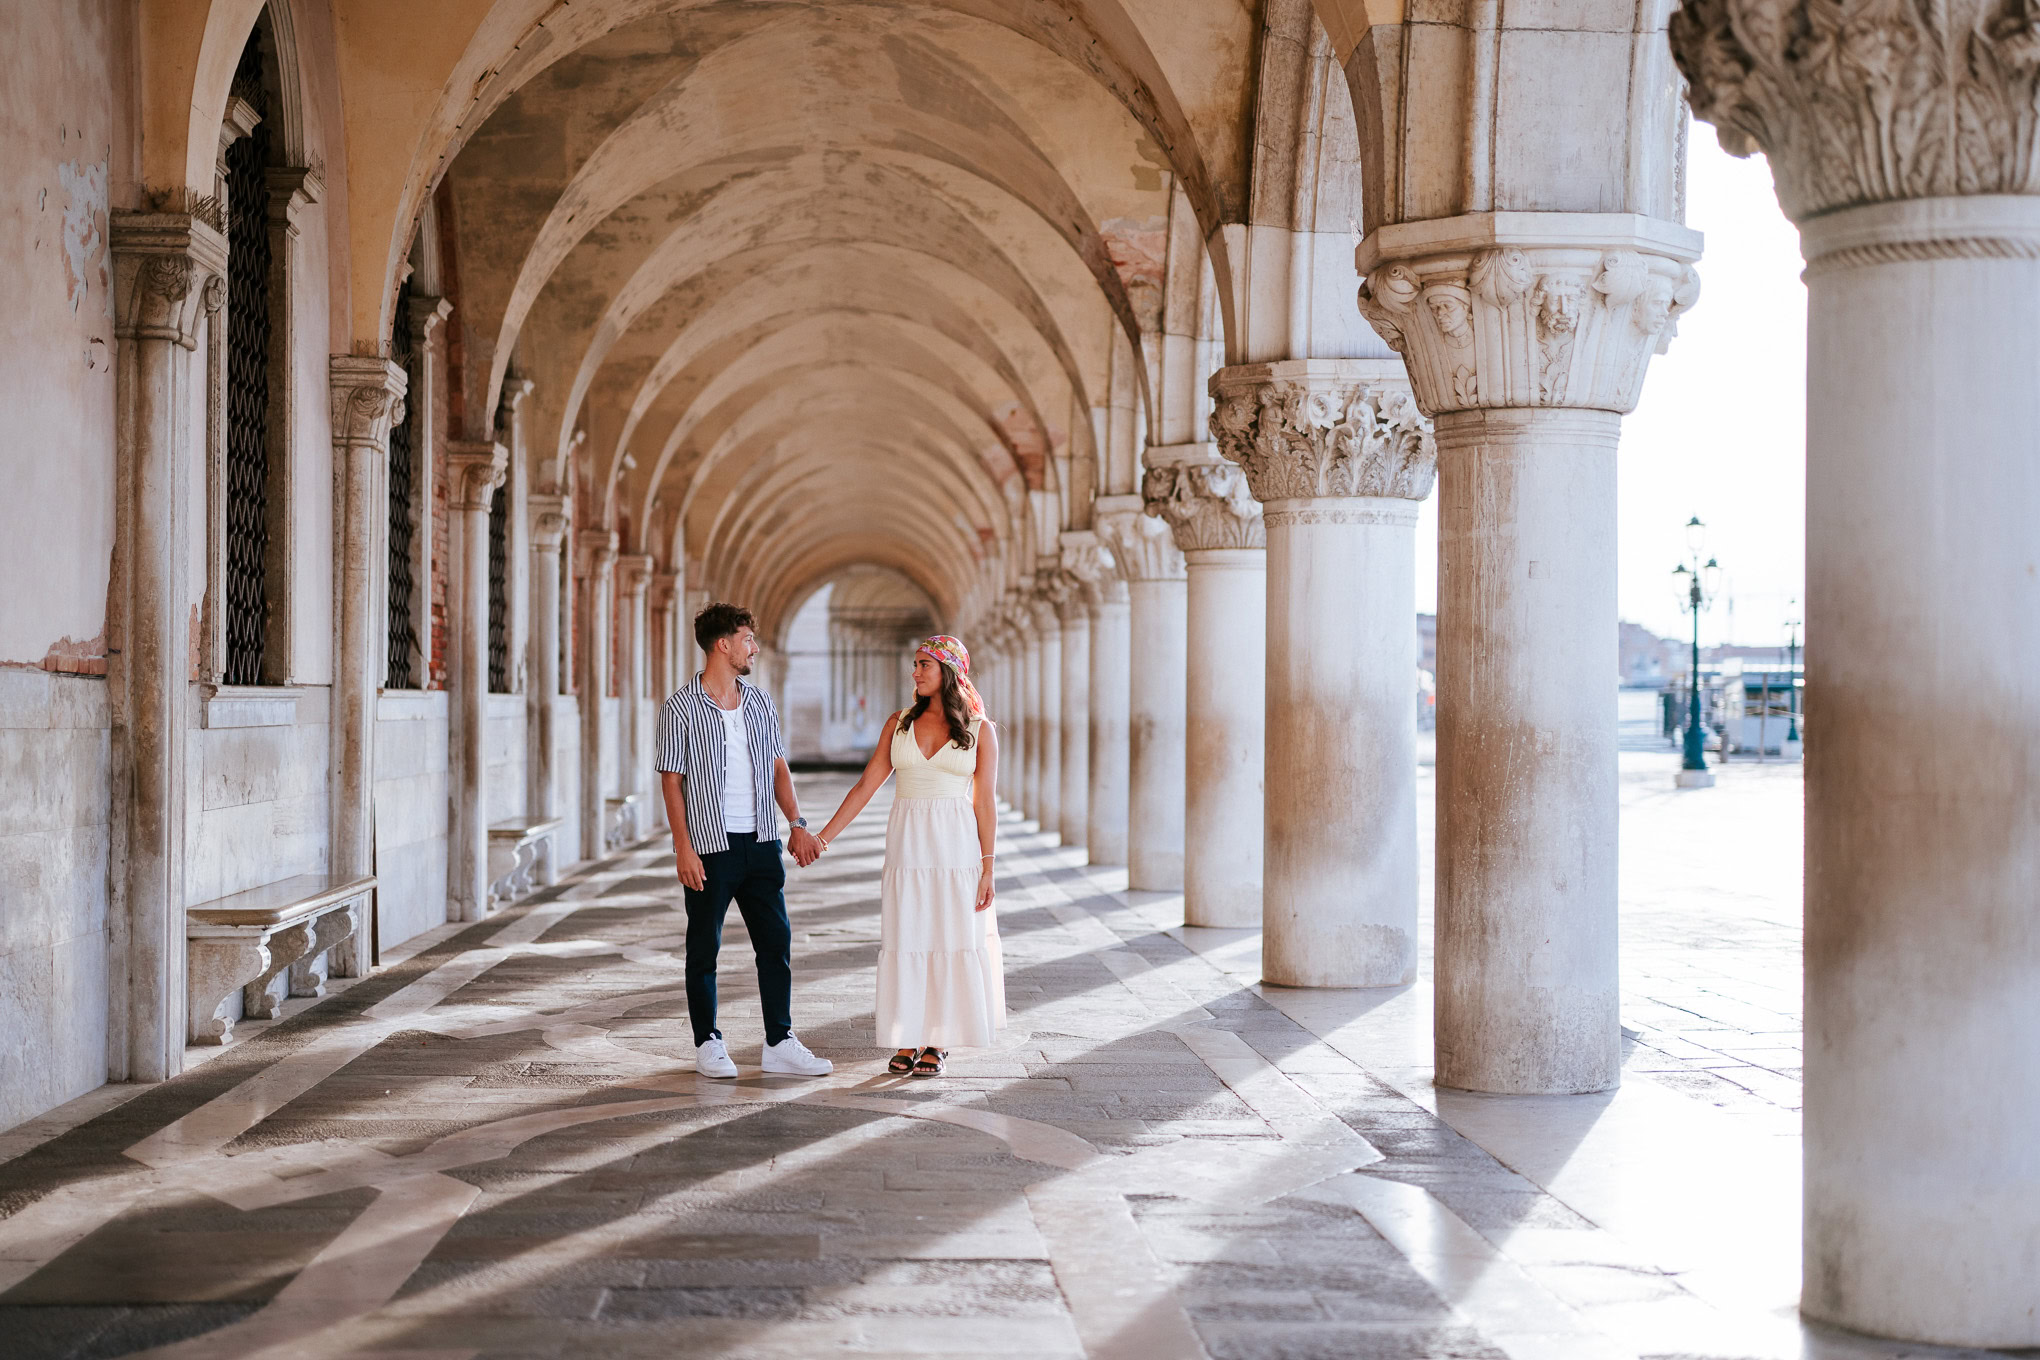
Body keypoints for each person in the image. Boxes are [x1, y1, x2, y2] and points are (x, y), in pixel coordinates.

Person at [812, 635, 1003, 1078]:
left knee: (948, 937)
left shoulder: (979, 730)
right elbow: (865, 786)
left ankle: (936, 1040)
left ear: (949, 673)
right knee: (910, 937)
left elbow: (985, 803)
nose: (914, 672)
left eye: (924, 665)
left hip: (957, 851)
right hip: (908, 848)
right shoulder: (897, 724)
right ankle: (911, 1035)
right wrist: (823, 838)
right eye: (915, 664)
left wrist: (988, 866)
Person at [655, 602, 831, 1079]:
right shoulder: (680, 706)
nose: (754, 647)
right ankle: (707, 1041)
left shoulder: (759, 703)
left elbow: (777, 767)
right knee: (704, 946)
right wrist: (683, 846)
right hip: (709, 845)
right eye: (748, 638)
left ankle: (779, 1041)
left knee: (776, 942)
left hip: (760, 840)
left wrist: (796, 821)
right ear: (723, 645)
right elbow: (672, 780)